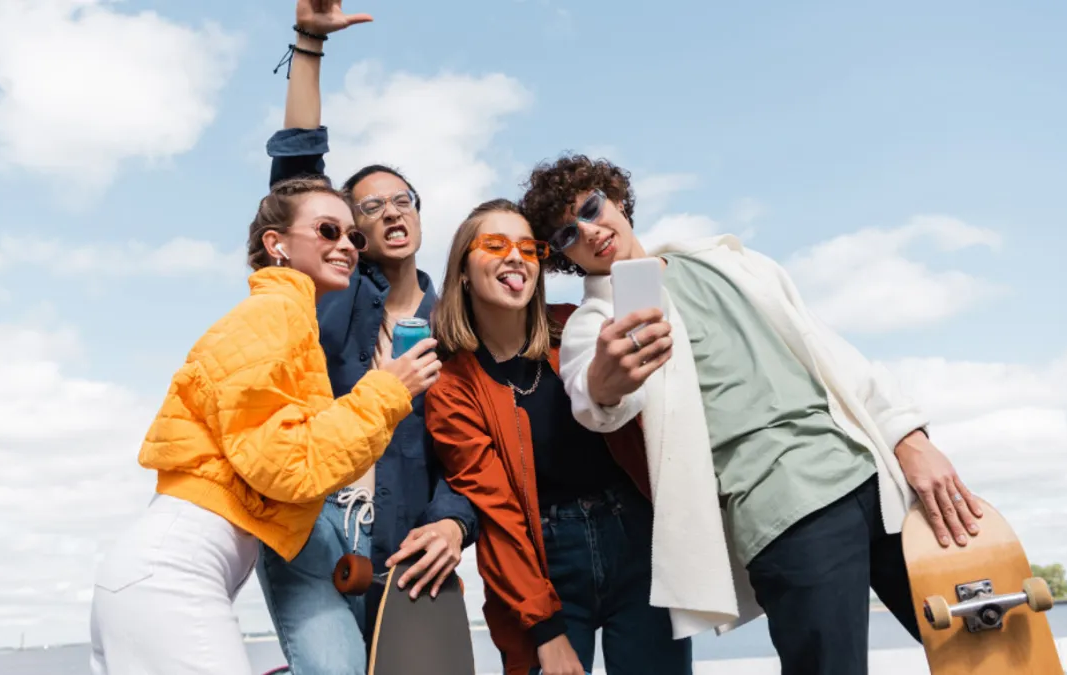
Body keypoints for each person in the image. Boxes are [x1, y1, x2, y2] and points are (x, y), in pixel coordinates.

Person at [518, 154, 985, 675]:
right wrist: (610, 376)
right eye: (565, 235)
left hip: (883, 481)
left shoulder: (728, 260)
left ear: (617, 198)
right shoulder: (596, 323)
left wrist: (911, 441)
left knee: (986, 653)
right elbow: (592, 401)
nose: (587, 230)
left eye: (590, 207)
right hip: (786, 513)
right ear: (564, 258)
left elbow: (833, 354)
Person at [88, 178, 442, 675]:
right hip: (172, 575)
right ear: (276, 244)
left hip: (166, 574)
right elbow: (285, 466)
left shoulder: (292, 320)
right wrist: (389, 390)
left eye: (351, 237)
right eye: (326, 230)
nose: (345, 245)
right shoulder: (273, 315)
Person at [257, 2, 478, 673]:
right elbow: (298, 174)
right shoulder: (333, 292)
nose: (390, 211)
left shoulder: (458, 329)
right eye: (369, 206)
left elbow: (476, 458)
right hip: (310, 525)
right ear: (351, 230)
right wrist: (309, 45)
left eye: (402, 198)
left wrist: (453, 522)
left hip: (407, 546)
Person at [424, 199, 692, 675]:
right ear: (463, 270)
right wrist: (545, 630)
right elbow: (497, 510)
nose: (516, 256)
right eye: (495, 244)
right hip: (543, 561)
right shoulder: (451, 387)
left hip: (636, 537)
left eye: (529, 248)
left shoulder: (579, 326)